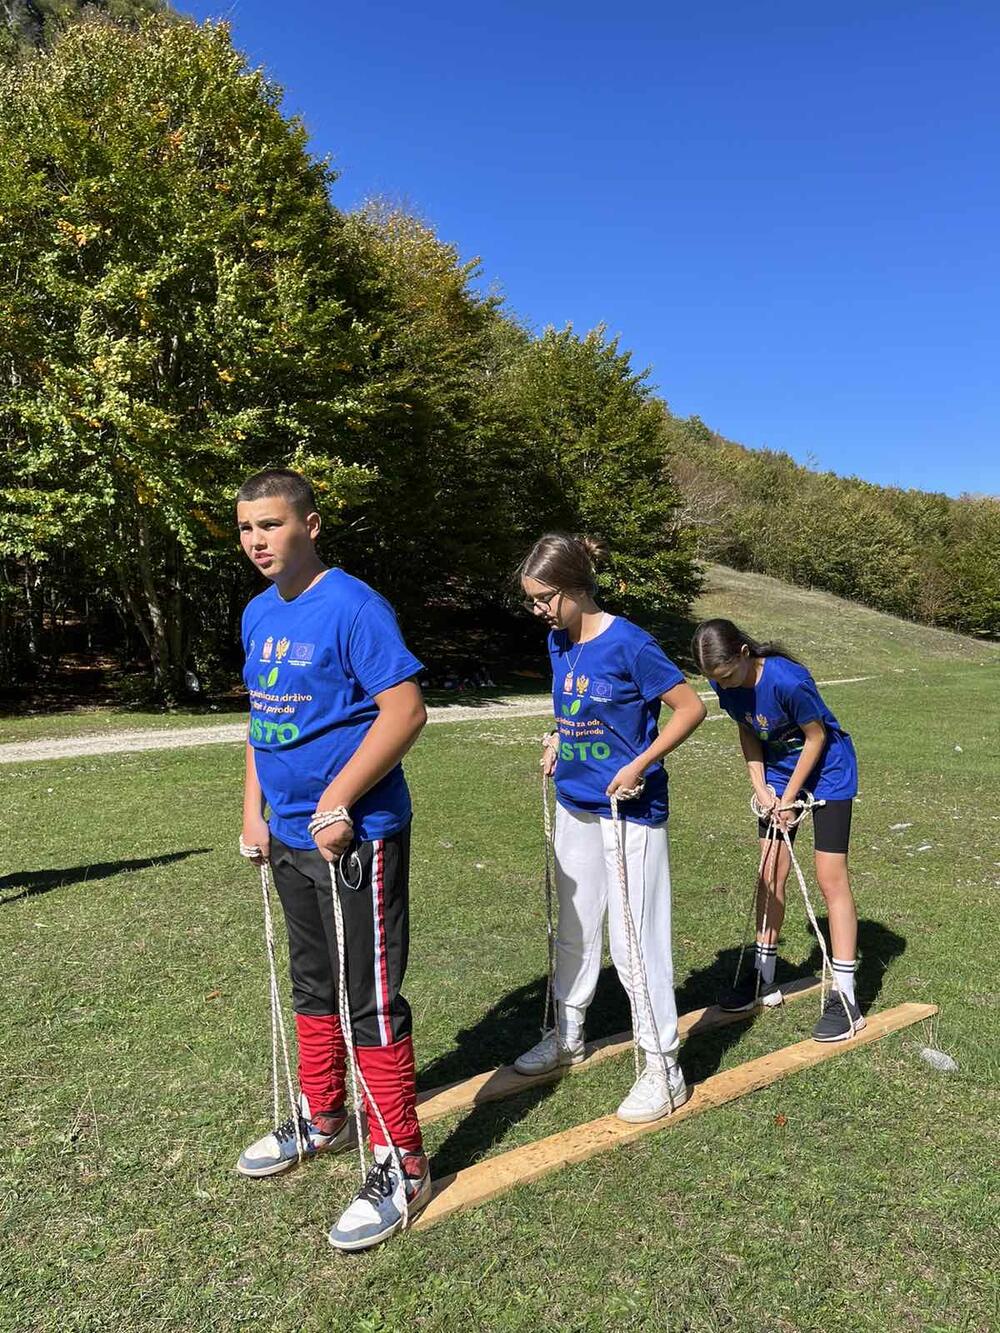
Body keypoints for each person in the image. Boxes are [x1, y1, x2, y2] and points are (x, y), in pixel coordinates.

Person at [234, 467, 430, 1250]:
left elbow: (407, 709)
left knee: (370, 998)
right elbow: (261, 717)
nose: (257, 541)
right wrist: (253, 810)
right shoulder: (255, 612)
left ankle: (403, 1161)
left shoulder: (353, 604)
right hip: (288, 836)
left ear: (310, 526)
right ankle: (325, 1115)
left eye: (272, 525)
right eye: (247, 528)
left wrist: (339, 800)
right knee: (313, 982)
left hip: (359, 836)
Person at [514, 533, 706, 1122]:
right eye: (532, 601)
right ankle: (568, 1035)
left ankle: (662, 1066)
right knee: (573, 926)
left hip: (631, 810)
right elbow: (575, 707)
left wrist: (639, 763)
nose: (540, 610)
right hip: (575, 801)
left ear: (575, 589)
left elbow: (690, 707)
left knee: (634, 938)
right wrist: (557, 736)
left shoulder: (631, 642)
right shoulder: (558, 641)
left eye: (545, 598)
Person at [691, 618, 864, 1042]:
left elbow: (816, 737)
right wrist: (762, 787)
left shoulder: (788, 681)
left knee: (830, 879)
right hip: (778, 777)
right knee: (770, 872)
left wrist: (789, 797)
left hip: (829, 775)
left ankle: (846, 997)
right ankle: (762, 974)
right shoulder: (725, 684)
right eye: (716, 680)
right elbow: (748, 730)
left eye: (728, 675)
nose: (724, 685)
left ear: (745, 654)